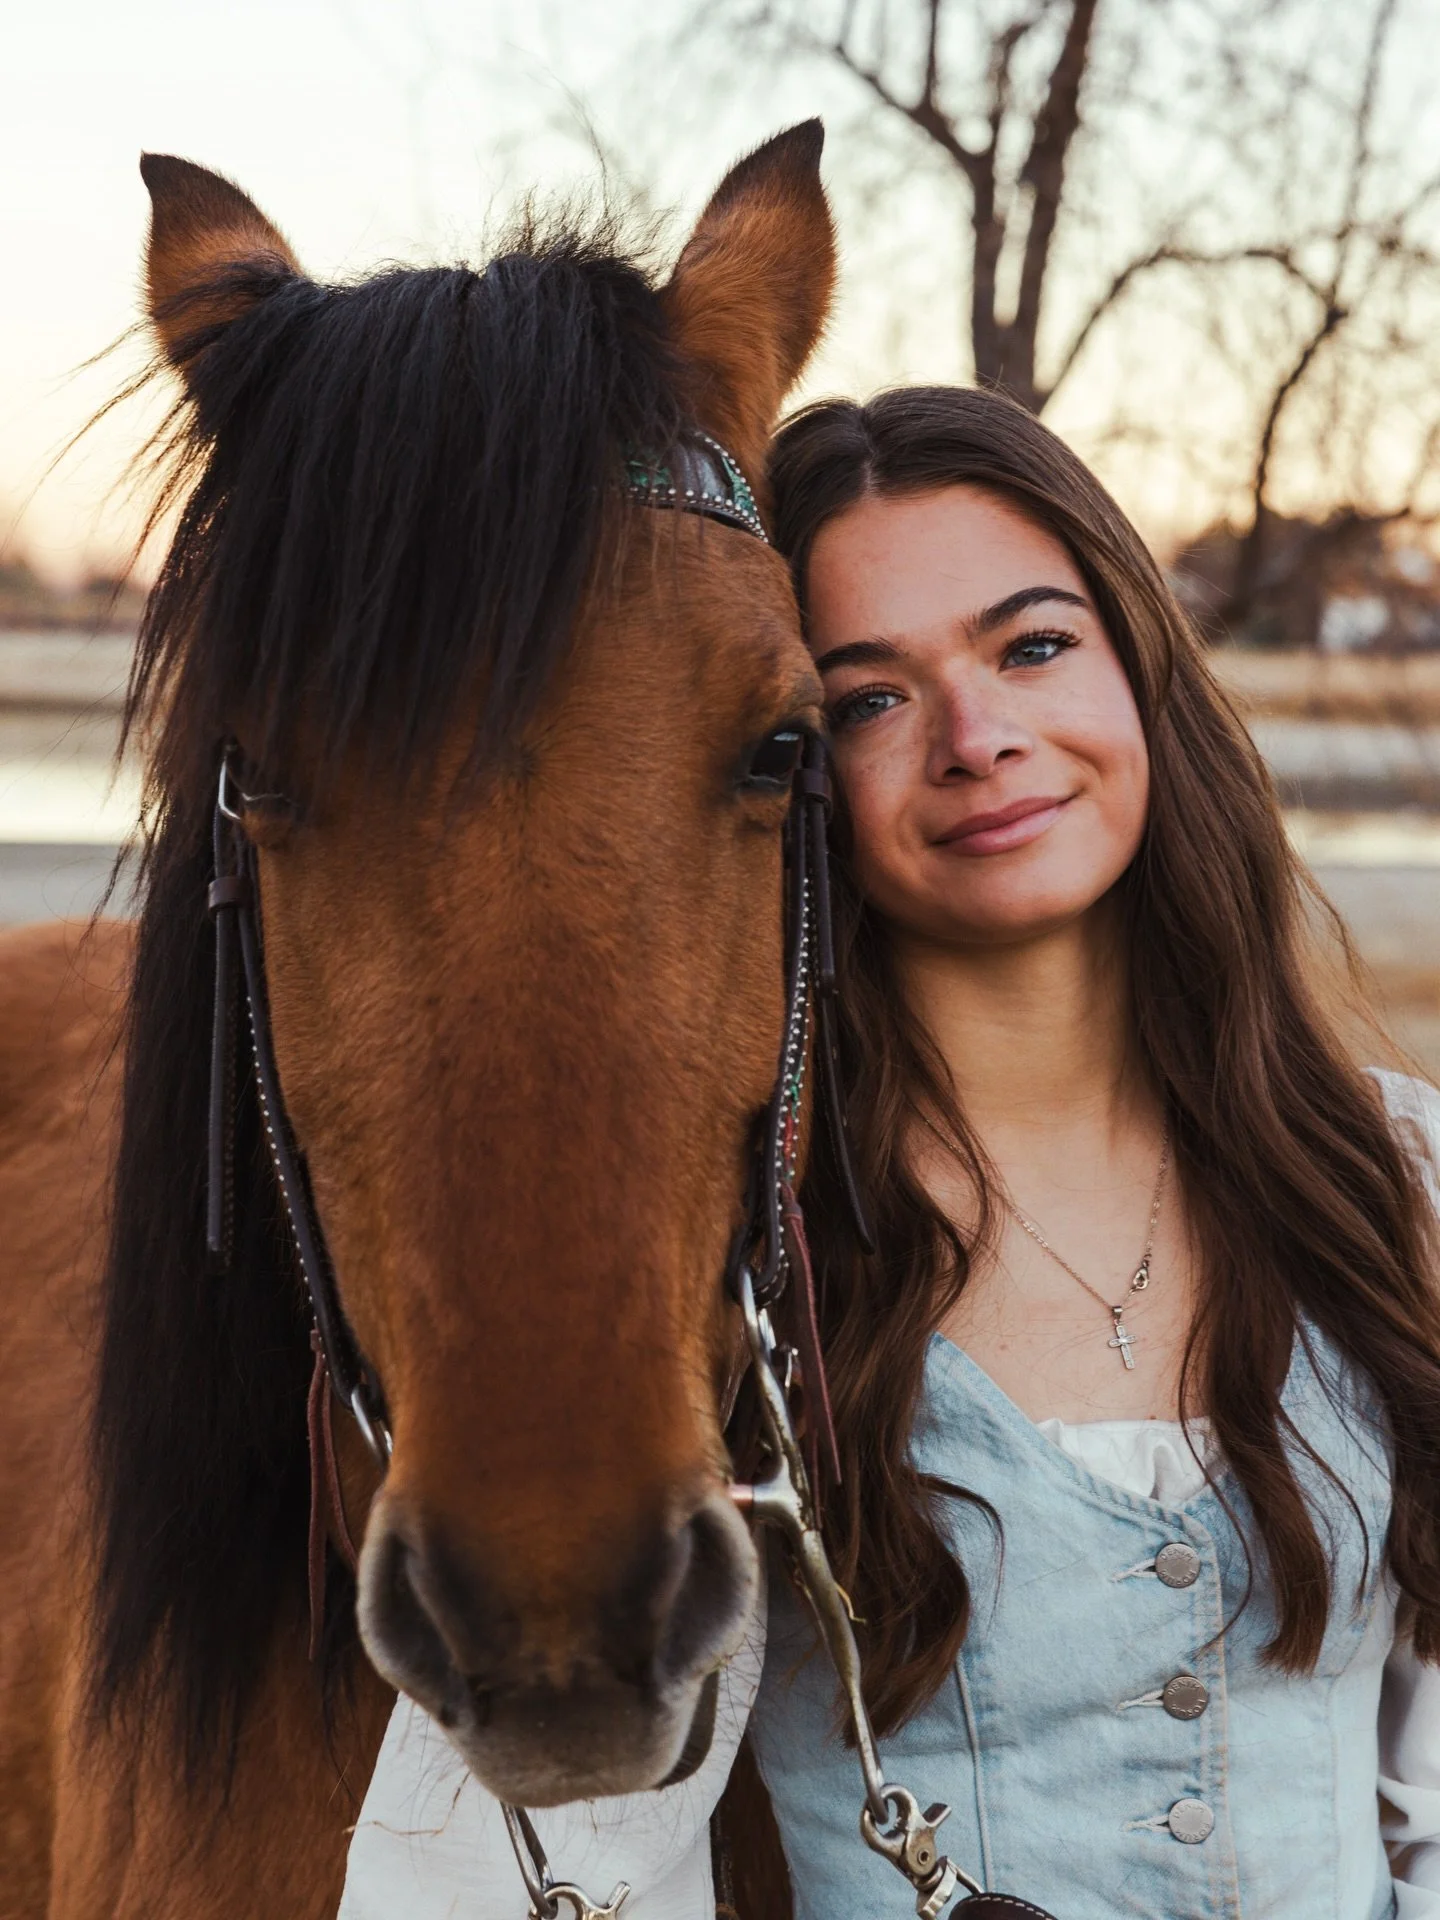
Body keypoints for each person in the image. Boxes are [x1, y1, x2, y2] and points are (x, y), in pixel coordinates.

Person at [341, 386, 1440, 1919]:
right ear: (787, 769)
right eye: (868, 701)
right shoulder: (738, 1270)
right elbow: (521, 1877)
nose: (979, 741)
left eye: (1032, 646)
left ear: (1139, 666)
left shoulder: (1391, 1178)